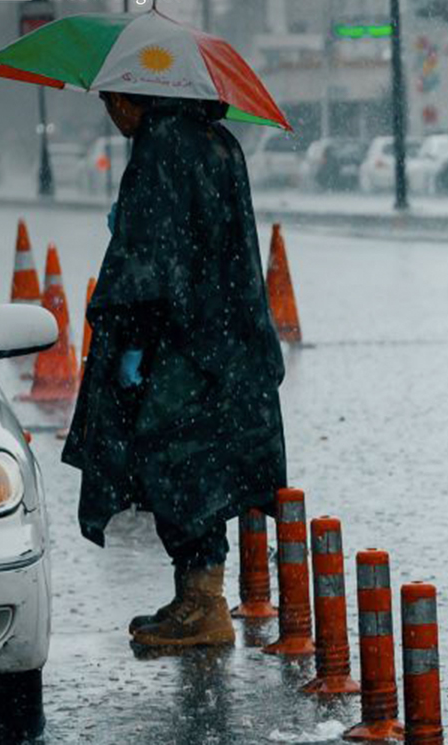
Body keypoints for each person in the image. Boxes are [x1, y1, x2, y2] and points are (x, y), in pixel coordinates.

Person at [64, 91, 287, 648]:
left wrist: (134, 346)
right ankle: (196, 595)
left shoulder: (161, 145)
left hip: (179, 344)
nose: (109, 113)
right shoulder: (217, 142)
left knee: (173, 464)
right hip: (222, 341)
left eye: (108, 100)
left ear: (127, 96)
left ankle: (203, 605)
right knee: (202, 467)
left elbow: (154, 263)